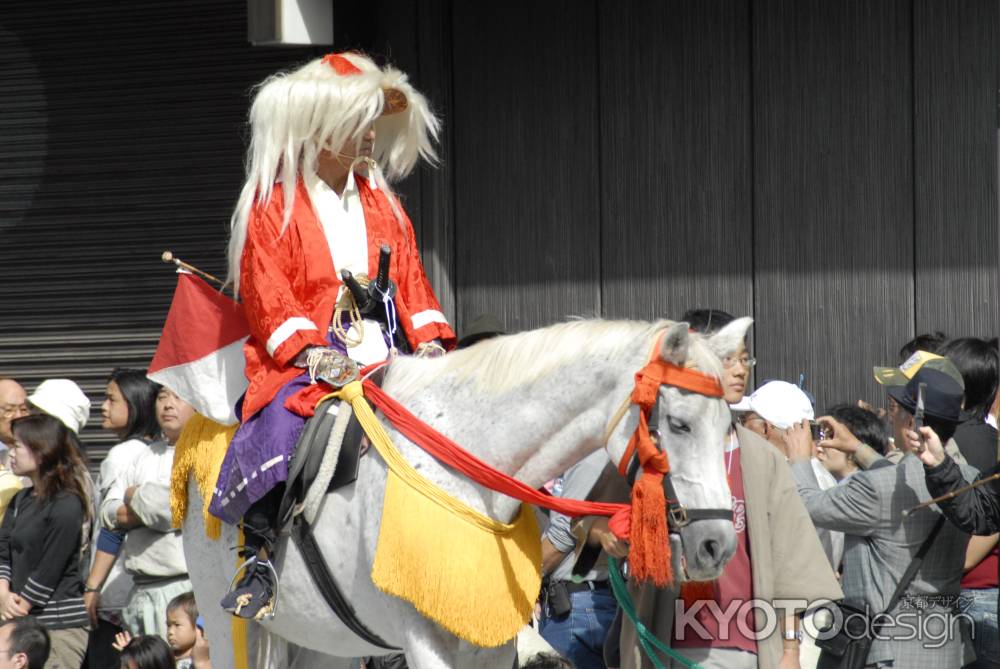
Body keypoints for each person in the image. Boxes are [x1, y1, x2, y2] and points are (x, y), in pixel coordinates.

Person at [211, 50, 456, 619]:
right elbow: (267, 292)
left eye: (374, 121)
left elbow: (413, 282)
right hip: (306, 359)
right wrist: (312, 353)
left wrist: (432, 342)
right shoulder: (274, 205)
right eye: (360, 121)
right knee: (281, 423)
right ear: (325, 128)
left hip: (387, 350)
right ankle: (261, 557)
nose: (372, 133)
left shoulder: (385, 206)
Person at [582, 308, 842, 669]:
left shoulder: (761, 459)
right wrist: (602, 532)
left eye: (744, 358)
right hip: (661, 638)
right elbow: (587, 523)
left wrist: (790, 651)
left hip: (744, 645)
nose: (739, 369)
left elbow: (791, 565)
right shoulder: (650, 448)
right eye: (727, 358)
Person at [789, 367, 976, 667]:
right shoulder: (970, 478)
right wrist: (857, 448)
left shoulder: (878, 488)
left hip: (890, 650)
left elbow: (810, 504)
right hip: (948, 647)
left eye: (896, 411)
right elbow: (906, 478)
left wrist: (799, 460)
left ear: (913, 422)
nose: (891, 418)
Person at [97, 388, 194, 638]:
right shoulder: (144, 455)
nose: (168, 405)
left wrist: (132, 495)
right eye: (162, 397)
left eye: (177, 396)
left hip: (182, 590)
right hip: (140, 589)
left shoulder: (201, 453)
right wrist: (144, 507)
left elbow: (171, 508)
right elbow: (107, 512)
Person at [84, 369, 162, 668]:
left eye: (111, 399)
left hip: (115, 593)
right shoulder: (151, 453)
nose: (102, 406)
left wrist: (92, 588)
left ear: (137, 404)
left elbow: (113, 526)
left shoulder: (123, 455)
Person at [0, 414, 91, 669]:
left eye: (17, 445)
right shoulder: (20, 500)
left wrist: (20, 606)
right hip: (17, 619)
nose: (11, 453)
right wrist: (3, 592)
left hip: (57, 624)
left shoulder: (67, 503)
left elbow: (51, 565)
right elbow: (4, 549)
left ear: (41, 450)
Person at [538, 450, 617, 669]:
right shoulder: (591, 457)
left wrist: (519, 584)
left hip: (576, 610)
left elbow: (564, 533)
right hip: (582, 605)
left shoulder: (591, 458)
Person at [814, 404, 889, 482]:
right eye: (822, 436)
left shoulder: (860, 490)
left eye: (831, 437)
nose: (819, 449)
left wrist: (802, 458)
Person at [164, 592, 197, 668]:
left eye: (177, 625)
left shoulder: (205, 657)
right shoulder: (165, 656)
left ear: (197, 626)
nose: (170, 632)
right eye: (168, 625)